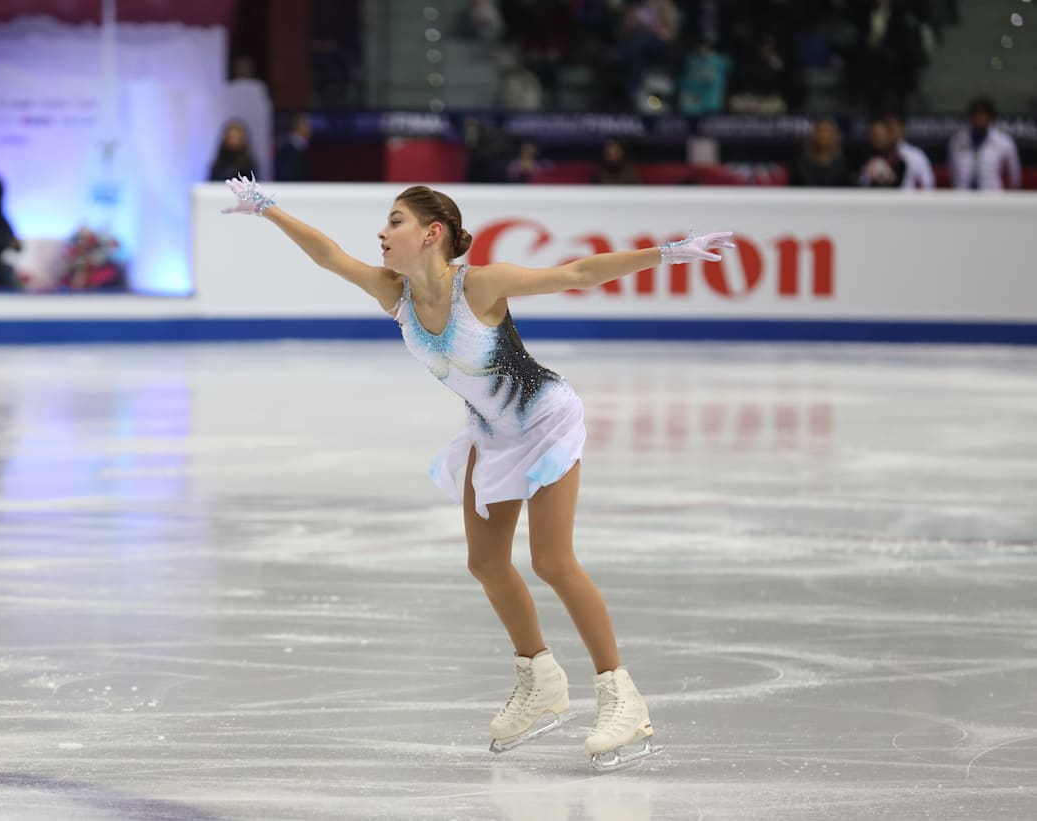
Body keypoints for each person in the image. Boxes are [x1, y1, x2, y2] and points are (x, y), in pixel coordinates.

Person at [220, 173, 733, 772]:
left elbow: (577, 273)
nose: (382, 233)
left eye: (395, 221)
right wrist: (268, 208)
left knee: (552, 561)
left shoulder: (481, 285)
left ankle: (622, 696)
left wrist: (665, 253)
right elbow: (329, 255)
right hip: (490, 432)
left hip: (545, 421)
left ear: (431, 233)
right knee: (486, 563)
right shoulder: (394, 293)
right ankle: (540, 678)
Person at [949, 98, 1021, 191]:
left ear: (990, 117)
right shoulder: (957, 140)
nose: (980, 118)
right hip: (962, 195)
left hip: (992, 195)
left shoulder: (1004, 142)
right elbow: (952, 171)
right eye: (976, 114)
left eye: (983, 114)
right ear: (971, 116)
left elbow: (1014, 175)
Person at [789, 118, 852, 187]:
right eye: (820, 130)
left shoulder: (844, 165)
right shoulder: (799, 164)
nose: (823, 135)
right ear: (813, 135)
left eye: (827, 131)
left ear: (835, 136)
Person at [885, 115, 934, 190]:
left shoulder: (916, 155)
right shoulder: (876, 153)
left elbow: (927, 184)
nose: (891, 134)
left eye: (893, 130)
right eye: (888, 130)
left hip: (908, 196)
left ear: (902, 130)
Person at [857, 119, 907, 189]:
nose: (878, 138)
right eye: (874, 134)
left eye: (881, 134)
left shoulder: (898, 161)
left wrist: (887, 177)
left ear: (888, 135)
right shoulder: (860, 156)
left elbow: (897, 184)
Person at [274, 114, 312, 182]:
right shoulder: (288, 151)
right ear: (298, 127)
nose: (309, 128)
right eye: (306, 125)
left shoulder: (301, 148)